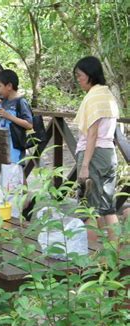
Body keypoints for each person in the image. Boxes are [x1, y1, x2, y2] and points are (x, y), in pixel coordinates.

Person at [73, 56, 120, 238]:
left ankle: (88, 261)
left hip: (94, 155)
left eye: (80, 75)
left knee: (88, 211)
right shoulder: (107, 95)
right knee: (107, 209)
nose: (78, 80)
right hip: (109, 154)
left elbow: (92, 133)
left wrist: (85, 165)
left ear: (90, 74)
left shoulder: (94, 97)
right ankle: (114, 254)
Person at [0, 69, 33, 217]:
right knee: (5, 187)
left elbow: (29, 124)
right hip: (3, 151)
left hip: (15, 152)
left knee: (11, 189)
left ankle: (14, 218)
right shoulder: (3, 102)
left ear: (9, 86)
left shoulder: (21, 102)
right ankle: (17, 211)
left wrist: (9, 116)